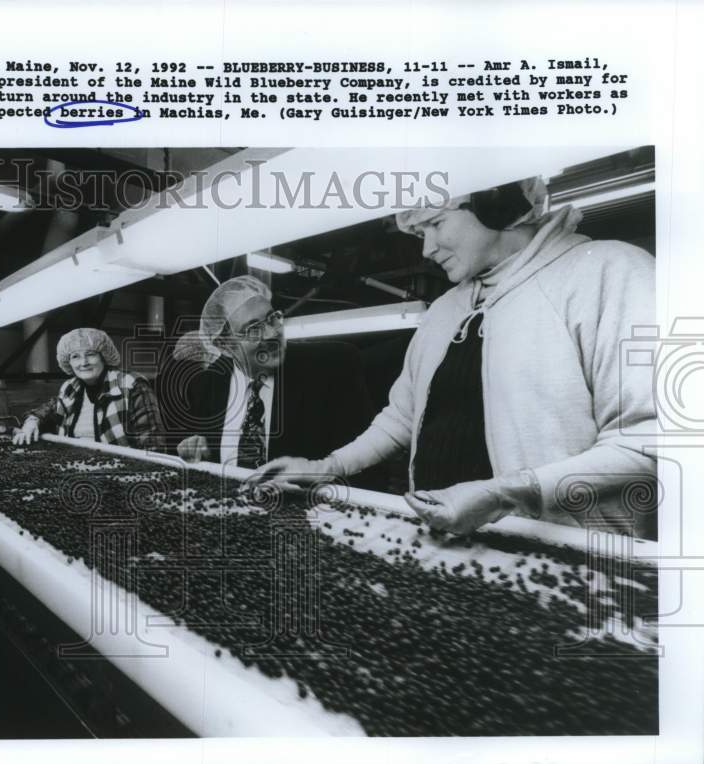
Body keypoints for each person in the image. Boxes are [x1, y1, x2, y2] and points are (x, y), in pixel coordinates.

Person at [249, 178, 657, 539]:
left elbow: (648, 444)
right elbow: (401, 419)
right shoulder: (445, 310)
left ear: (495, 200)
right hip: (445, 547)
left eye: (436, 224)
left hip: (571, 567)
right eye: (419, 231)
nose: (426, 249)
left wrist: (505, 493)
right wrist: (326, 466)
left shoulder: (610, 273)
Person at [171, 275, 375, 472]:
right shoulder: (209, 383)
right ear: (225, 345)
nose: (271, 334)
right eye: (253, 329)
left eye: (272, 318)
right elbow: (210, 457)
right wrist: (200, 449)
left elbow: (363, 466)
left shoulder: (330, 368)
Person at [12, 327, 165, 451]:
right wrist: (32, 421)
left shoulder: (132, 385)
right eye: (75, 357)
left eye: (90, 354)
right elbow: (48, 409)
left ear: (104, 357)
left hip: (121, 472)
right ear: (68, 362)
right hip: (75, 467)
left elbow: (153, 445)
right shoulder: (71, 388)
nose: (83, 362)